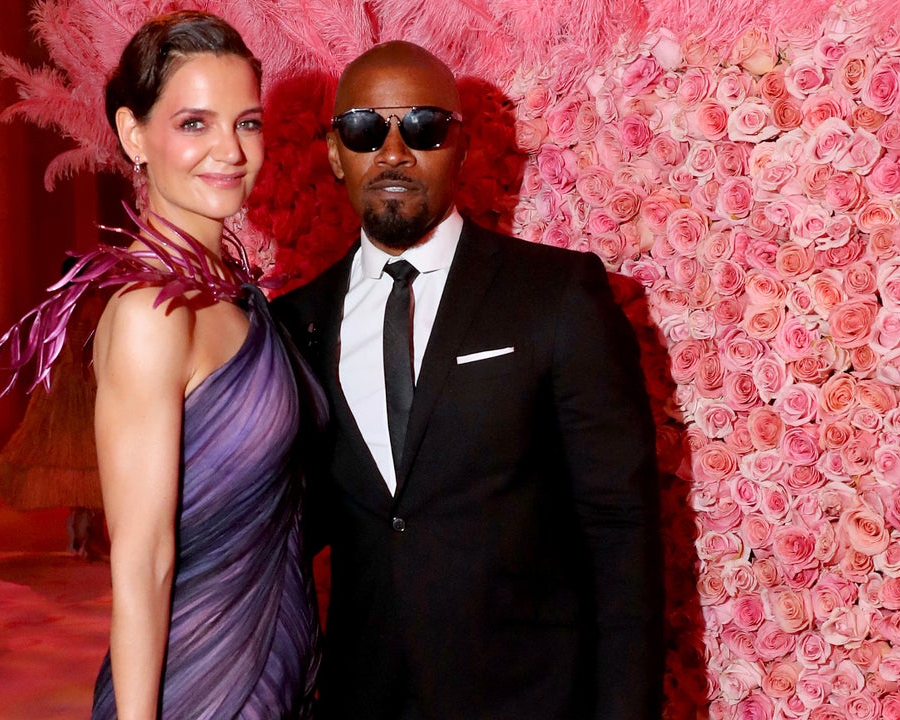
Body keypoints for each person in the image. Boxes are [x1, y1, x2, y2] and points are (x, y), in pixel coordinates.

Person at [273, 41, 664, 719]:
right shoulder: (294, 324)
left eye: (422, 126)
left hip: (532, 701)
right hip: (364, 699)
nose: (393, 152)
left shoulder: (556, 296)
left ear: (461, 145)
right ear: (335, 152)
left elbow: (620, 528)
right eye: (364, 129)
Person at [0, 11, 322, 719]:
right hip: (202, 685)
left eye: (247, 122)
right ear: (134, 135)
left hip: (274, 665)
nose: (231, 150)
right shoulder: (151, 314)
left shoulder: (229, 291)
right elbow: (141, 562)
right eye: (194, 123)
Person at [0, 257, 106, 560]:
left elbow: (49, 349)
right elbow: (92, 349)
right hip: (83, 383)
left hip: (59, 382)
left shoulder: (56, 307)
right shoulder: (93, 305)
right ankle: (88, 531)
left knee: (78, 457)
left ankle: (81, 529)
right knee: (91, 456)